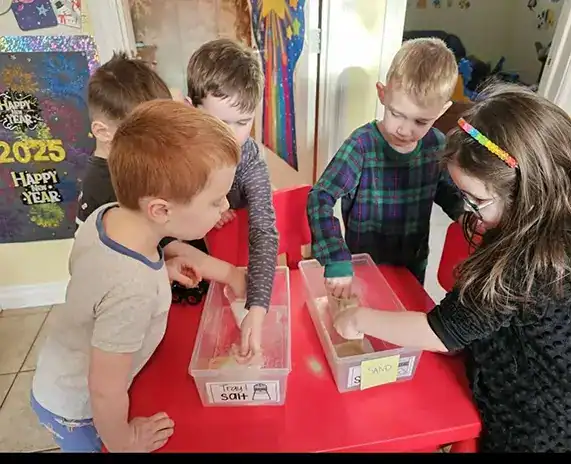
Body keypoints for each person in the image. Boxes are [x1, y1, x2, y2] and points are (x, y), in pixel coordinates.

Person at [334, 83, 571, 452]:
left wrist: (358, 319)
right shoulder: (546, 221)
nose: (470, 213)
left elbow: (441, 331)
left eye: (477, 200)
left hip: (531, 425)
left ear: (527, 190)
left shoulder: (523, 263)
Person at [31, 100, 243, 453]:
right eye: (216, 200)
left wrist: (163, 270)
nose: (225, 207)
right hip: (79, 410)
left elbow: (98, 275)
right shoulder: (132, 290)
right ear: (160, 210)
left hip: (57, 374)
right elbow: (104, 389)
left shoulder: (110, 215)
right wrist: (123, 442)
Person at [307, 38, 465, 298]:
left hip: (412, 265)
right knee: (363, 325)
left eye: (420, 121)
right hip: (364, 265)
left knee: (402, 327)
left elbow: (444, 191)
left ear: (441, 111)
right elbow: (320, 197)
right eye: (396, 114)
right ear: (383, 93)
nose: (404, 129)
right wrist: (334, 255)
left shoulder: (437, 144)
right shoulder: (361, 146)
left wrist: (464, 215)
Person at [77, 51, 230, 301]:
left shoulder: (127, 167)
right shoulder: (111, 185)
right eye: (142, 135)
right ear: (103, 131)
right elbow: (170, 246)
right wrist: (231, 274)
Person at [163, 38, 279, 358]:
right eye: (219, 122)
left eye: (243, 123)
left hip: (236, 266)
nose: (230, 135)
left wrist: (257, 306)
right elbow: (159, 230)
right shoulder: (172, 158)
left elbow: (263, 230)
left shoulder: (251, 159)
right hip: (183, 276)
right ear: (191, 108)